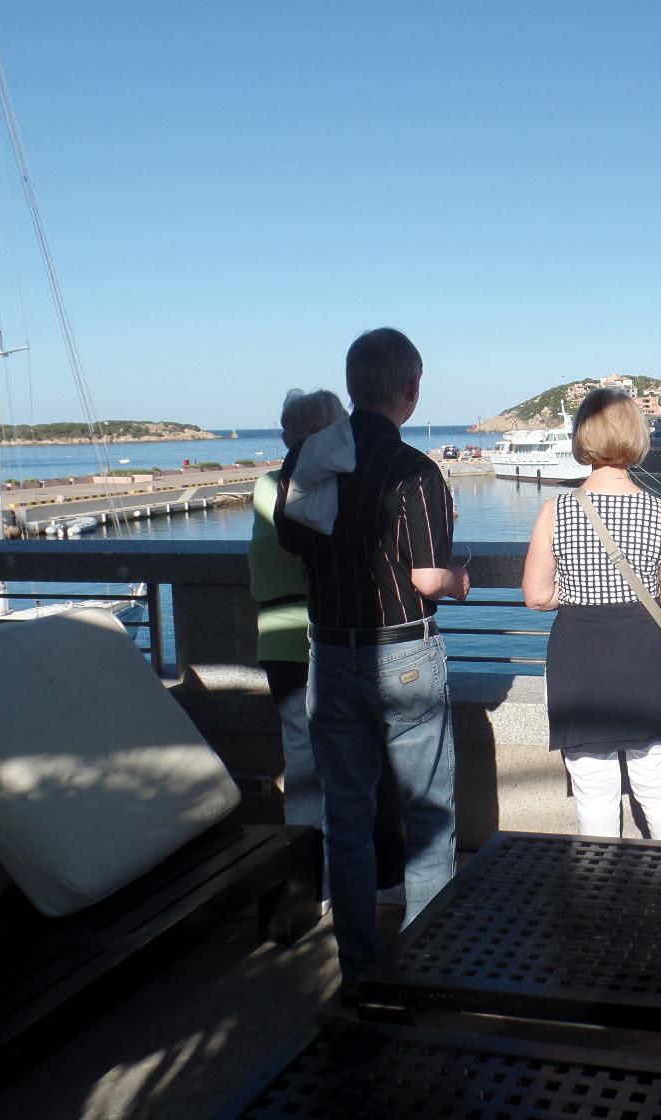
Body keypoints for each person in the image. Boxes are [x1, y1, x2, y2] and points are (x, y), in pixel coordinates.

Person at [274, 328, 469, 994]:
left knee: (348, 819)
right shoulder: (415, 471)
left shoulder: (306, 461)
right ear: (410, 388)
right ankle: (424, 964)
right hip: (403, 652)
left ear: (353, 385)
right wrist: (460, 582)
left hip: (329, 652)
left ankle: (359, 967)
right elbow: (428, 578)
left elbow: (292, 542)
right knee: (429, 819)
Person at [522, 388, 661, 841]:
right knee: (659, 786)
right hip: (647, 659)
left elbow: (537, 596)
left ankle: (598, 882)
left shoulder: (555, 510)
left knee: (594, 794)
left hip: (579, 659)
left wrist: (579, 590)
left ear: (582, 437)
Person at [248, 388, 346, 842]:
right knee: (349, 759)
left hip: (277, 640)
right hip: (328, 636)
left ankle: (306, 865)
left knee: (301, 760)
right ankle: (350, 865)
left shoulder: (266, 485)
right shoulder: (336, 491)